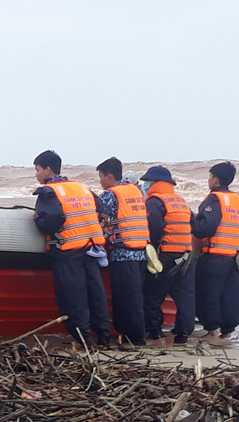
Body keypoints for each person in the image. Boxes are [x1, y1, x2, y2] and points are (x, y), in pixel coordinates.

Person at [31, 150, 111, 350]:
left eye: (37, 169)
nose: (36, 174)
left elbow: (52, 220)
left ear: (48, 170)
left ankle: (84, 341)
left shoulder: (49, 192)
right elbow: (102, 209)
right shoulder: (82, 188)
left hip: (68, 252)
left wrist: (38, 220)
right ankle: (104, 338)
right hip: (91, 249)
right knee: (96, 295)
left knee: (74, 299)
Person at [96, 158, 150, 348]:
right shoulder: (135, 191)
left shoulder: (111, 194)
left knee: (125, 298)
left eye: (101, 177)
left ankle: (134, 338)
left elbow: (100, 217)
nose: (100, 181)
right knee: (135, 297)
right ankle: (133, 336)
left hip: (122, 254)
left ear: (110, 176)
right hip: (140, 253)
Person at [141, 165, 197, 346]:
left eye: (148, 182)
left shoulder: (155, 202)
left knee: (152, 295)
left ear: (156, 182)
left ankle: (155, 334)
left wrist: (151, 247)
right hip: (186, 256)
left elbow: (154, 228)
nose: (146, 186)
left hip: (166, 255)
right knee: (185, 295)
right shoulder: (181, 201)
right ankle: (183, 334)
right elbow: (193, 224)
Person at [192, 161, 239, 345]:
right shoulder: (235, 199)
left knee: (209, 293)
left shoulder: (214, 199)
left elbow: (205, 228)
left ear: (215, 179)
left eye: (209, 176)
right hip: (235, 257)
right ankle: (227, 331)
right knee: (230, 294)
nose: (208, 180)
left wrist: (192, 222)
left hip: (215, 255)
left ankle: (211, 330)